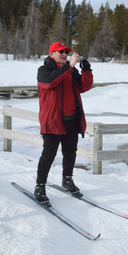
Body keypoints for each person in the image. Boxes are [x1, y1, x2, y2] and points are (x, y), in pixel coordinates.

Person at [34, 42, 93, 204]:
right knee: (49, 154)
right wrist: (69, 67)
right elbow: (49, 83)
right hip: (53, 120)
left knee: (70, 152)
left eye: (66, 52)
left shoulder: (71, 71)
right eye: (60, 52)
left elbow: (84, 87)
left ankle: (67, 179)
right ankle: (40, 185)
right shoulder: (44, 70)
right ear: (51, 54)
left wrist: (86, 70)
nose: (64, 54)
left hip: (72, 119)